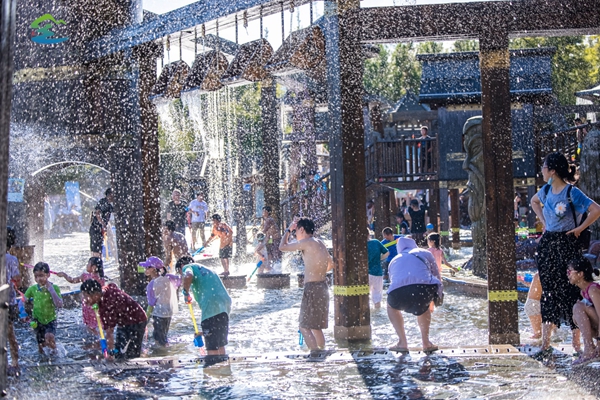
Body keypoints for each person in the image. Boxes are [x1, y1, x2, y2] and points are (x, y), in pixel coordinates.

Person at [530, 152, 600, 360]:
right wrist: (545, 223)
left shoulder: (572, 192)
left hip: (568, 243)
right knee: (548, 291)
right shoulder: (545, 190)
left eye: (543, 167)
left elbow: (596, 210)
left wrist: (580, 228)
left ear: (552, 170)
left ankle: (576, 343)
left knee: (572, 290)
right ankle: (545, 343)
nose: (541, 171)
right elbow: (534, 202)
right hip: (549, 244)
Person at [280, 217, 334, 352]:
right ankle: (321, 351)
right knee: (316, 327)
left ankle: (315, 353)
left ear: (302, 229)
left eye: (296, 231)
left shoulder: (306, 242)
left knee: (304, 326)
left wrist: (288, 230)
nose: (295, 234)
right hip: (323, 286)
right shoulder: (319, 242)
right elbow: (331, 264)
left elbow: (282, 247)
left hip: (312, 288)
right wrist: (318, 271)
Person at [387, 237, 442, 353]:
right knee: (424, 307)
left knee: (391, 307)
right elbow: (436, 276)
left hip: (398, 292)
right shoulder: (425, 252)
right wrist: (436, 299)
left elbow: (394, 281)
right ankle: (426, 343)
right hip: (423, 289)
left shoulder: (394, 259)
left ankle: (402, 342)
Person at [80, 280, 147, 359]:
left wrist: (109, 359)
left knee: (129, 356)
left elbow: (109, 334)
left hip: (136, 321)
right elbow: (112, 285)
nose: (84, 300)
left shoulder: (107, 305)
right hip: (124, 321)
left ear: (96, 295)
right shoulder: (104, 292)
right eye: (83, 296)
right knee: (119, 350)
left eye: (86, 296)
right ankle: (116, 355)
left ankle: (134, 365)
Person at [181, 259, 232, 355]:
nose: (181, 277)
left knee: (212, 347)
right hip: (225, 305)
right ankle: (223, 368)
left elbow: (188, 275)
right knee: (220, 344)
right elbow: (214, 328)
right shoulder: (207, 269)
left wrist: (185, 293)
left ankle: (212, 367)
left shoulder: (187, 267)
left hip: (211, 304)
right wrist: (203, 333)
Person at [56, 257, 106, 334]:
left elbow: (72, 280)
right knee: (97, 323)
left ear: (93, 267)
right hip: (96, 304)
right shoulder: (101, 279)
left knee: (88, 325)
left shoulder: (85, 276)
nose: (86, 265)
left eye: (88, 263)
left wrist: (64, 275)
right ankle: (99, 337)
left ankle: (94, 338)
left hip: (87, 304)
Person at [25, 262, 63, 355]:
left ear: (48, 274)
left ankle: (56, 354)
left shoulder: (55, 288)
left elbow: (59, 304)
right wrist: (23, 313)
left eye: (41, 275)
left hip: (51, 319)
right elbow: (22, 300)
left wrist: (51, 290)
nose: (38, 279)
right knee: (41, 345)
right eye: (36, 276)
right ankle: (43, 360)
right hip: (37, 320)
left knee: (49, 336)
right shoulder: (32, 289)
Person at [141, 256, 180, 346]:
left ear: (154, 269)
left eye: (148, 267)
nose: (145, 269)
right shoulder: (169, 278)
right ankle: (167, 353)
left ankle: (162, 356)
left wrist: (145, 320)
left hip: (158, 314)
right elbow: (179, 280)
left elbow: (151, 304)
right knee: (164, 336)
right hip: (168, 313)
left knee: (158, 339)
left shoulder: (152, 284)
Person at [569, 258, 600, 365]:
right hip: (596, 331)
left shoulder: (593, 289)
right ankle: (590, 347)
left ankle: (589, 348)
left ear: (580, 274)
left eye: (570, 272)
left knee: (578, 307)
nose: (568, 275)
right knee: (576, 312)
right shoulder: (584, 292)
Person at [6, 226, 21, 375]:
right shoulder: (12, 259)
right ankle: (15, 363)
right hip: (9, 302)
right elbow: (17, 281)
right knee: (11, 335)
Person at [367, 229, 389, 309]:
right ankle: (377, 314)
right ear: (369, 234)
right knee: (377, 297)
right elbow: (387, 253)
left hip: (366, 274)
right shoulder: (376, 242)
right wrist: (379, 258)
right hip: (377, 273)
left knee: (365, 296)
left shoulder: (360, 245)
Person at [89, 188, 114, 258]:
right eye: (113, 195)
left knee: (98, 248)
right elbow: (97, 214)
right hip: (96, 228)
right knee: (96, 249)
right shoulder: (103, 202)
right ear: (109, 195)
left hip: (99, 229)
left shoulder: (109, 205)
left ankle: (97, 264)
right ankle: (95, 264)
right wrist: (103, 224)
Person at [521, 272, 542, 340]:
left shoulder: (539, 274)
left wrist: (521, 281)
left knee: (545, 332)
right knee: (538, 334)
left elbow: (533, 286)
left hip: (533, 304)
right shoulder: (541, 274)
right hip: (534, 304)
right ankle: (534, 346)